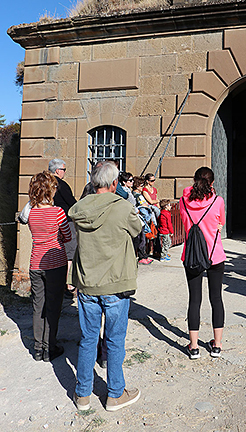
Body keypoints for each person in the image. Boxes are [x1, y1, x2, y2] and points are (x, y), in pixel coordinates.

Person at [68, 161, 142, 412]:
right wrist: (123, 195)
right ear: (114, 183)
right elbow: (138, 229)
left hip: (87, 283)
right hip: (115, 282)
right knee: (114, 340)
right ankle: (115, 393)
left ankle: (82, 394)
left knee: (88, 339)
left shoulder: (79, 208)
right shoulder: (122, 208)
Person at [179, 167, 225, 359]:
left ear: (194, 180)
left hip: (192, 255)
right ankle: (217, 345)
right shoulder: (218, 201)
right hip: (214, 254)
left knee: (194, 300)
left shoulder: (183, 200)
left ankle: (194, 346)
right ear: (212, 183)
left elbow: (184, 223)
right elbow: (220, 224)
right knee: (216, 299)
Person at [27, 171, 71, 362]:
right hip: (55, 261)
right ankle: (49, 347)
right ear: (50, 189)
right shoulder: (58, 212)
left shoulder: (31, 211)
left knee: (38, 306)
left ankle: (38, 348)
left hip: (35, 262)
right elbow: (67, 236)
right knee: (53, 306)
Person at [48, 158, 77, 297]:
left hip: (49, 222)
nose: (65, 172)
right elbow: (72, 203)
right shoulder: (61, 184)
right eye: (64, 170)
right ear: (58, 170)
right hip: (65, 220)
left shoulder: (44, 184)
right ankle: (69, 286)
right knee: (69, 253)